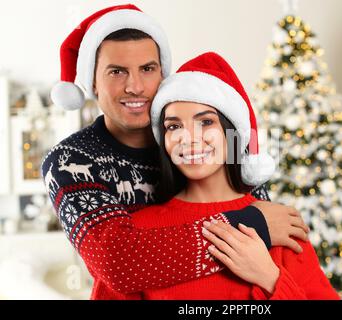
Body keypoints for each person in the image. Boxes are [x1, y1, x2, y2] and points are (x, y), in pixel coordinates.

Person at [42, 4, 310, 299]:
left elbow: (257, 211)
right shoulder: (69, 160)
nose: (135, 87)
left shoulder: (200, 140)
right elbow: (119, 265)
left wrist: (272, 273)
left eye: (147, 69)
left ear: (163, 73)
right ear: (92, 81)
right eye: (117, 71)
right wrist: (255, 226)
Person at [124, 52, 339, 299]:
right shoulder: (138, 232)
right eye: (174, 126)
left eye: (205, 122)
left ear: (232, 133)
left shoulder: (279, 223)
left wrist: (270, 279)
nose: (189, 138)